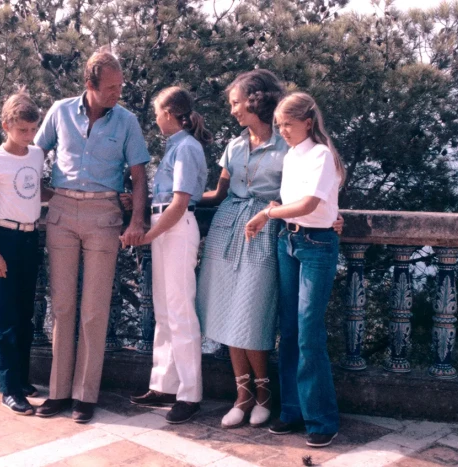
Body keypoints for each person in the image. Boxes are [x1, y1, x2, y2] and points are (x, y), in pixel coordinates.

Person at [34, 50, 150, 422]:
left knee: (95, 310)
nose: (118, 93)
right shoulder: (60, 111)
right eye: (112, 87)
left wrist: (136, 221)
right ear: (90, 85)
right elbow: (34, 156)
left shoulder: (127, 121)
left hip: (105, 214)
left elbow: (139, 176)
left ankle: (85, 396)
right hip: (62, 212)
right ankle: (58, 393)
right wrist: (39, 193)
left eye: (120, 86)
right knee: (64, 306)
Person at [245, 92, 345, 448]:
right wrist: (278, 211)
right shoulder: (291, 156)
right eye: (279, 125)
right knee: (287, 330)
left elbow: (309, 203)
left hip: (316, 246)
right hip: (288, 242)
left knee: (308, 331)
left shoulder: (321, 155)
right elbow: (295, 203)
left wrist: (267, 213)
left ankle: (321, 418)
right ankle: (292, 410)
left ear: (307, 122)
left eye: (288, 123)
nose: (282, 130)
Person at [196, 70, 289, 429]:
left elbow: (296, 193)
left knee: (252, 312)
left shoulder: (286, 144)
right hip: (225, 228)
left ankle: (264, 394)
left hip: (264, 229)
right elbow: (218, 194)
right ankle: (242, 395)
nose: (232, 110)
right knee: (226, 310)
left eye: (236, 103)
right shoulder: (234, 146)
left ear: (255, 101)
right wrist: (175, 201)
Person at [125, 87, 212, 424]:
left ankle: (190, 394)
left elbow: (179, 203)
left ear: (172, 113)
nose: (156, 118)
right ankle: (164, 384)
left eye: (159, 112)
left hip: (174, 228)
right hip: (165, 227)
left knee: (180, 311)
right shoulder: (175, 147)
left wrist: (147, 236)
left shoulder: (187, 148)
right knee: (163, 308)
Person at [0, 88, 44, 415]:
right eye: (22, 131)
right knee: (6, 318)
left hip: (31, 240)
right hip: (4, 239)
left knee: (25, 316)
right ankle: (9, 387)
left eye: (33, 130)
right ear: (6, 125)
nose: (28, 136)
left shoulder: (36, 154)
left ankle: (22, 378)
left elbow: (38, 190)